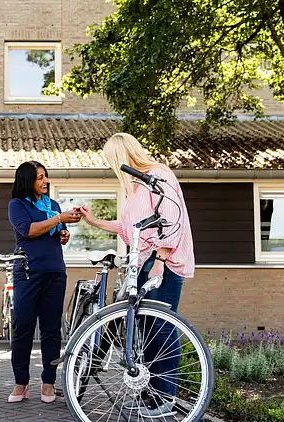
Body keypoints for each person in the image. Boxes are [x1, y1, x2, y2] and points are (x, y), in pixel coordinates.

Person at [79, 132, 194, 417]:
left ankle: (166, 397)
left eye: (112, 160)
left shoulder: (158, 175)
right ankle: (151, 395)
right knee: (147, 331)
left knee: (162, 329)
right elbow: (126, 228)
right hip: (141, 264)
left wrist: (160, 259)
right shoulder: (134, 189)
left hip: (161, 264)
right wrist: (93, 220)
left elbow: (172, 219)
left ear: (122, 156)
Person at [7, 160, 81, 404]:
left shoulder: (53, 205)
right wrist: (58, 219)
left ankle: (48, 383)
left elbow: (53, 232)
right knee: (22, 328)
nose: (45, 181)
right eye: (40, 178)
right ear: (28, 181)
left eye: (46, 177)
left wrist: (63, 234)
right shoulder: (17, 205)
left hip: (55, 273)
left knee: (51, 330)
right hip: (27, 273)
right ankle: (21, 384)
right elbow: (29, 230)